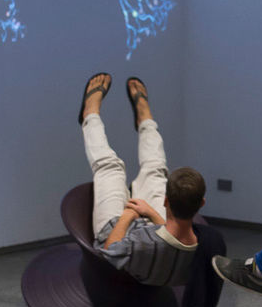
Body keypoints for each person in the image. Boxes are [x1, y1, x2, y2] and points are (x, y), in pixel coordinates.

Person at [78, 73, 205, 287]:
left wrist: (128, 215)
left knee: (111, 167)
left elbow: (111, 251)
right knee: (155, 168)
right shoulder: (204, 243)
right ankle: (145, 119)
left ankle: (90, 113)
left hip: (117, 230)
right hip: (153, 227)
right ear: (201, 204)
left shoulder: (141, 247)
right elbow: (170, 240)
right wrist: (152, 214)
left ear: (167, 201)